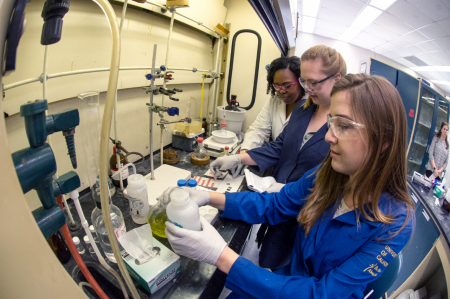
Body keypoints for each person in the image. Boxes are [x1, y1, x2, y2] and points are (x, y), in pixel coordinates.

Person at [162, 74, 415, 298]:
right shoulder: (329, 173)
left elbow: (323, 293)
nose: (328, 136)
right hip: (287, 280)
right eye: (331, 122)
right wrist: (207, 196)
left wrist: (221, 255)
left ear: (383, 140)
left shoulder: (396, 222)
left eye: (344, 126)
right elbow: (276, 203)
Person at [211, 45, 347, 270]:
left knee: (291, 274)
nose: (308, 89)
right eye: (304, 81)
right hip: (277, 208)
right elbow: (280, 146)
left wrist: (288, 191)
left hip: (307, 220)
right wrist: (239, 158)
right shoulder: (304, 109)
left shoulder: (342, 124)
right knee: (267, 261)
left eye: (314, 82)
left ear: (337, 78)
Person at [240, 56, 308, 151]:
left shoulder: (311, 104)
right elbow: (258, 129)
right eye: (276, 86)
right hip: (276, 158)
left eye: (287, 86)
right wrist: (245, 151)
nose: (281, 91)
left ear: (301, 81)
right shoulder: (274, 101)